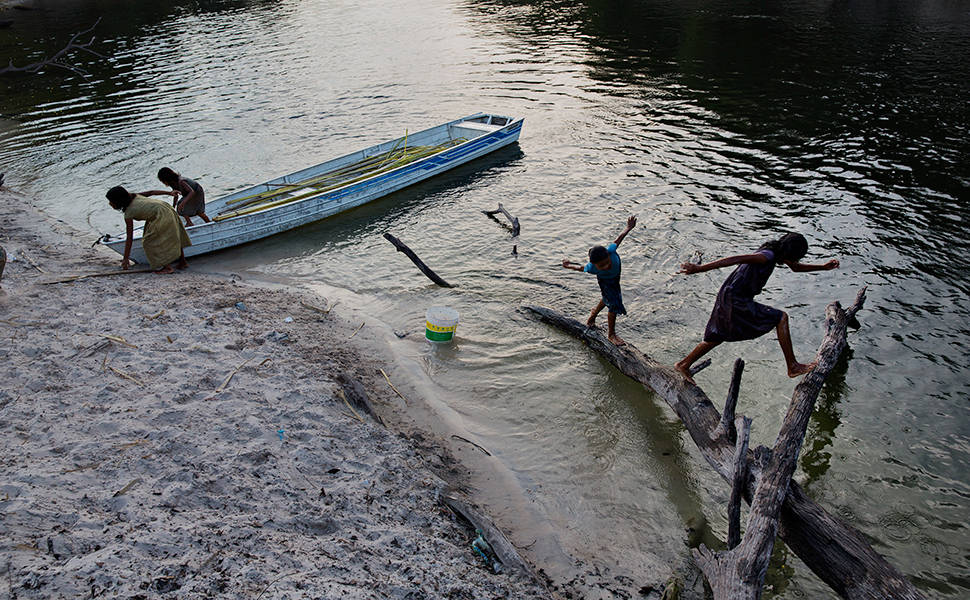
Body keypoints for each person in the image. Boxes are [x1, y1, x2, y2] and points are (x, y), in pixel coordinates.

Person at [675, 232, 839, 380]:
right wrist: (699, 268)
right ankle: (792, 366)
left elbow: (795, 268)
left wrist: (823, 267)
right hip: (736, 299)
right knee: (781, 318)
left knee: (717, 335)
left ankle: (683, 365)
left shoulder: (775, 251)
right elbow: (735, 259)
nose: (795, 261)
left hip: (730, 295)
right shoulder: (767, 256)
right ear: (791, 253)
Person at [562, 215, 637, 346]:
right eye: (601, 266)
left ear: (609, 255)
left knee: (607, 298)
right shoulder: (592, 268)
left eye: (607, 262)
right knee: (613, 305)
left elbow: (620, 238)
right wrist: (568, 266)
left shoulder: (611, 251)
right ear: (594, 265)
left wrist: (628, 227)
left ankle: (593, 315)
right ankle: (611, 335)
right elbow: (580, 268)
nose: (606, 266)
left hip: (615, 277)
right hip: (605, 281)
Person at [106, 186, 191, 274]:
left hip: (161, 214)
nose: (110, 204)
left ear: (118, 201)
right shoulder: (134, 196)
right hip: (166, 208)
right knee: (175, 235)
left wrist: (125, 258)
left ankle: (168, 267)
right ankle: (182, 262)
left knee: (149, 242)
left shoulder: (128, 213)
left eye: (111, 201)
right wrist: (169, 193)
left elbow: (129, 237)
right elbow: (151, 192)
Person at [145, 167, 211, 227]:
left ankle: (192, 222)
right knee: (182, 206)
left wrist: (183, 203)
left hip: (196, 192)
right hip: (189, 194)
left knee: (195, 210)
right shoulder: (173, 184)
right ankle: (193, 222)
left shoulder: (181, 181)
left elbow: (191, 192)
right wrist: (173, 206)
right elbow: (175, 195)